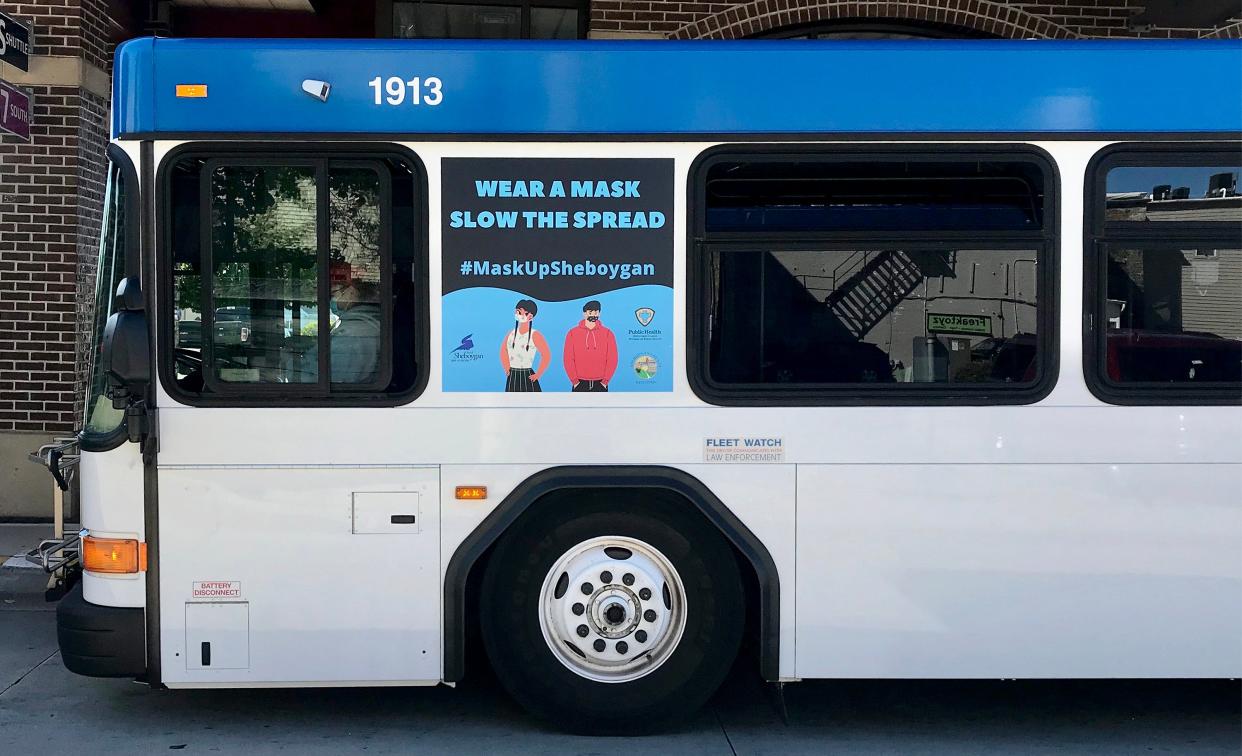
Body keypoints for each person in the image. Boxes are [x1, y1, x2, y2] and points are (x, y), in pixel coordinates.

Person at [328, 275, 382, 384]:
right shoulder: (368, 322)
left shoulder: (353, 331)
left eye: (333, 294)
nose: (331, 300)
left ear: (351, 292)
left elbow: (336, 376)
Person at [563, 299, 617, 392]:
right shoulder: (572, 333)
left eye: (596, 312)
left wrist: (605, 381)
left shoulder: (608, 333)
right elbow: (568, 358)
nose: (593, 315)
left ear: (599, 313)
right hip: (579, 382)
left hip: (600, 383)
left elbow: (612, 358)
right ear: (584, 313)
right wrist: (575, 381)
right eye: (590, 312)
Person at [500, 298, 550, 392]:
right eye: (516, 312)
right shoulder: (511, 333)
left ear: (530, 316)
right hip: (512, 374)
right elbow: (503, 350)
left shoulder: (535, 335)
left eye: (520, 312)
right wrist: (507, 368)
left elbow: (546, 355)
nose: (517, 315)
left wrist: (538, 374)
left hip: (528, 375)